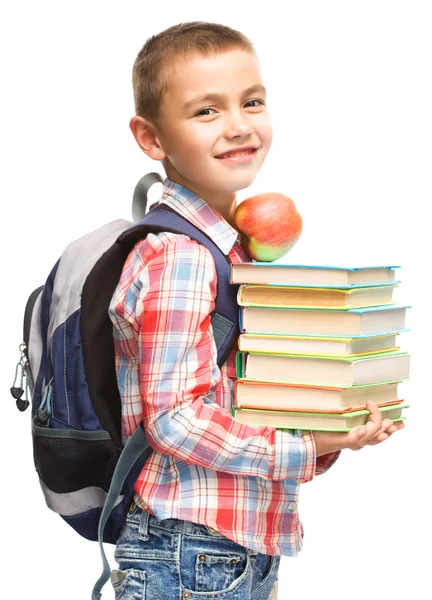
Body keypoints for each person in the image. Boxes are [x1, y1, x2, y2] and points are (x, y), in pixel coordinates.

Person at [108, 21, 404, 600]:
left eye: (251, 102)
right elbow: (174, 419)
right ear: (151, 137)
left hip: (220, 548)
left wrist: (332, 427)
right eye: (206, 112)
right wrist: (309, 445)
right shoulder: (182, 255)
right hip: (190, 547)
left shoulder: (225, 246)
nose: (239, 126)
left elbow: (229, 395)